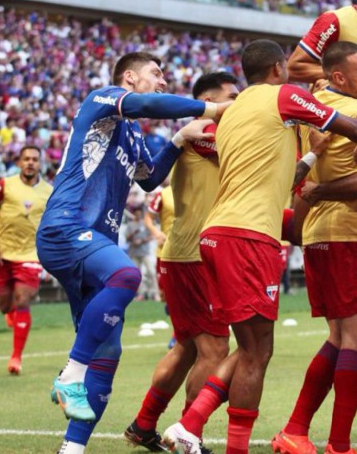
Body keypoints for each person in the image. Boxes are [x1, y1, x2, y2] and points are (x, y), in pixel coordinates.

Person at [162, 39, 357, 454]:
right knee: (257, 352)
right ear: (280, 69)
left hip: (219, 233)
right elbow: (353, 128)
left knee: (249, 347)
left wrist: (312, 157)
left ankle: (191, 424)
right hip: (248, 237)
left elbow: (278, 178)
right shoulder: (284, 95)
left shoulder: (237, 112)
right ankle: (224, 442)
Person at [36, 51, 226, 454]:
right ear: (128, 78)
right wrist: (212, 107)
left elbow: (150, 178)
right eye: (156, 74)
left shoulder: (134, 135)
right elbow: (147, 104)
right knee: (127, 276)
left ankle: (72, 449)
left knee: (108, 351)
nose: (162, 81)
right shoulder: (102, 100)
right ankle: (70, 373)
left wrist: (177, 140)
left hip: (94, 247)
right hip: (65, 227)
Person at [271, 41, 357, 454]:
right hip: (348, 234)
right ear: (338, 78)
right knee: (356, 340)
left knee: (338, 337)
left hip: (316, 237)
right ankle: (339, 444)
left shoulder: (317, 101)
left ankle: (294, 430)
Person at [125, 71, 240, 453]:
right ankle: (191, 434)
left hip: (184, 254)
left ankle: (144, 424)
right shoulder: (204, 128)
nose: (239, 103)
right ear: (210, 99)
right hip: (195, 256)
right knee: (214, 351)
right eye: (232, 96)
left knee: (187, 348)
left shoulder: (206, 132)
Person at [0, 145, 51, 375]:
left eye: (35, 159)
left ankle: (16, 358)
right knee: (4, 305)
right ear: (19, 162)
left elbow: (53, 225)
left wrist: (50, 256)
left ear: (40, 164)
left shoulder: (49, 192)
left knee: (22, 300)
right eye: (26, 159)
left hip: (31, 255)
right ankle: (10, 314)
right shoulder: (4, 185)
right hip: (3, 254)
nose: (30, 162)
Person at [145, 183, 174, 302]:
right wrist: (157, 233)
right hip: (165, 251)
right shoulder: (163, 194)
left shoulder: (196, 191)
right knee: (165, 294)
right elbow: (148, 218)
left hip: (190, 249)